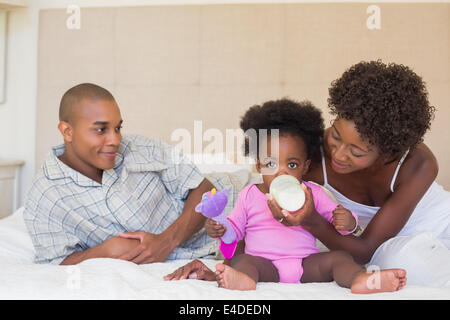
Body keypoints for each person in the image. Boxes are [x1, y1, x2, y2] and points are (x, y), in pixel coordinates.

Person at [166, 60, 450, 287]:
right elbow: (253, 207)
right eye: (336, 136)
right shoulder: (308, 155)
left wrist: (312, 220)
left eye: (357, 152)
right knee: (405, 264)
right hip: (382, 246)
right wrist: (220, 269)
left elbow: (362, 249)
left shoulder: (418, 164)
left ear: (388, 151)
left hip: (437, 228)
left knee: (404, 263)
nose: (338, 154)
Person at [165, 98, 407, 293]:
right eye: (271, 163)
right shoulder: (250, 194)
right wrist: (219, 228)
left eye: (291, 165)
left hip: (305, 264)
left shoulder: (311, 192)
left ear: (304, 166)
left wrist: (349, 221)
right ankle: (244, 281)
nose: (281, 171)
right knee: (243, 262)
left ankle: (360, 280)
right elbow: (235, 230)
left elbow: (339, 224)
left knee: (340, 258)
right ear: (259, 166)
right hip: (264, 264)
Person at [23, 83, 242, 265]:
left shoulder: (140, 148)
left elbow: (204, 187)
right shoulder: (45, 197)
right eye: (101, 130)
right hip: (225, 250)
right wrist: (106, 250)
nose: (115, 140)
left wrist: (167, 241)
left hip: (238, 200)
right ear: (67, 131)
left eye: (117, 128)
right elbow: (55, 262)